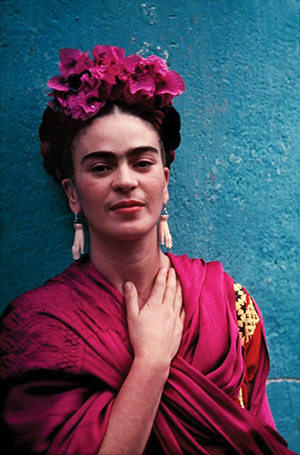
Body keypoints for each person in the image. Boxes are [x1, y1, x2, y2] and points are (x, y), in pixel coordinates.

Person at [0, 45, 297, 455]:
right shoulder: (40, 328)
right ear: (72, 194)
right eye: (101, 167)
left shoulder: (228, 304)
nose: (125, 181)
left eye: (142, 163)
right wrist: (151, 362)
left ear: (165, 179)